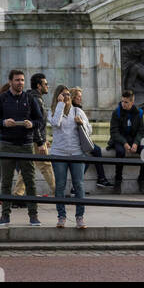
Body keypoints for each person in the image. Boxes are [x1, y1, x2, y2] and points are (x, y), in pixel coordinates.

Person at [0, 68, 44, 226]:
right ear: (10, 81)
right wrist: (4, 123)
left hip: (26, 144)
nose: (20, 83)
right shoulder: (2, 99)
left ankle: (33, 215)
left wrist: (31, 124)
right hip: (7, 144)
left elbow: (40, 120)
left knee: (30, 180)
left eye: (22, 80)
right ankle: (5, 215)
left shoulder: (30, 99)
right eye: (17, 80)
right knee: (6, 181)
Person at [49, 85, 89, 229]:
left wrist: (81, 123)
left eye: (67, 95)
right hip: (59, 153)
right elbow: (55, 123)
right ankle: (61, 216)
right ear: (57, 96)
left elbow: (88, 130)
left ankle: (80, 216)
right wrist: (60, 105)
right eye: (63, 94)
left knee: (78, 184)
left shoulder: (77, 111)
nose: (66, 97)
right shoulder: (52, 111)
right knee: (60, 185)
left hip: (76, 152)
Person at [107, 89, 144, 193]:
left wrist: (136, 143)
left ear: (132, 102)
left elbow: (141, 131)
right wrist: (124, 143)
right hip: (120, 139)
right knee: (120, 152)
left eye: (126, 102)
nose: (123, 104)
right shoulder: (117, 112)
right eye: (122, 101)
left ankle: (141, 179)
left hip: (133, 139)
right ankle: (118, 180)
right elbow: (114, 132)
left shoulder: (139, 113)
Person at [70, 86, 111, 188]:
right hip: (78, 142)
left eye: (80, 96)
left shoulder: (77, 109)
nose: (80, 98)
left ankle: (101, 178)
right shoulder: (75, 110)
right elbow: (84, 128)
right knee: (90, 155)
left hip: (81, 141)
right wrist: (84, 124)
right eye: (78, 97)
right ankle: (77, 187)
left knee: (96, 151)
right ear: (72, 98)